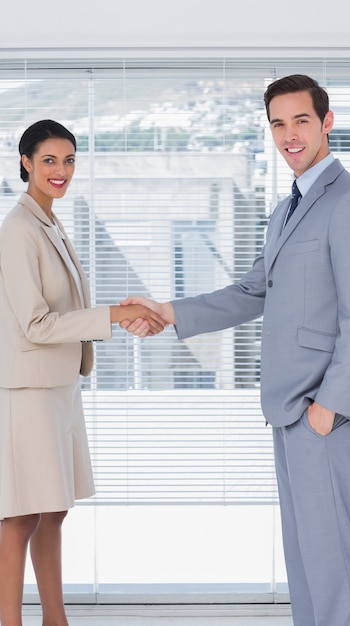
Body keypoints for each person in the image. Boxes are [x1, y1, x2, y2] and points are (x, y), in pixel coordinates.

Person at [121, 75, 350, 626]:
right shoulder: (288, 207)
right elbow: (254, 291)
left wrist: (327, 407)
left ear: (327, 122)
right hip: (289, 408)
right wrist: (167, 312)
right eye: (278, 123)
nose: (289, 134)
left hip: (322, 410)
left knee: (334, 560)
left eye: (301, 121)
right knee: (307, 559)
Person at [0, 119, 166, 626]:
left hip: (60, 388)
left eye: (69, 160)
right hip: (29, 391)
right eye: (49, 160)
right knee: (23, 513)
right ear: (26, 162)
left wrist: (114, 316)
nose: (62, 170)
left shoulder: (49, 222)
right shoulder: (18, 229)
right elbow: (33, 322)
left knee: (54, 509)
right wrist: (114, 315)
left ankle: (56, 619)